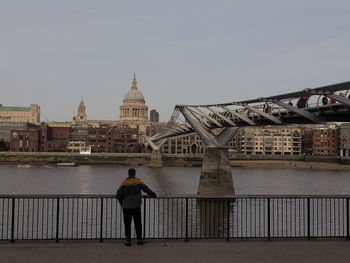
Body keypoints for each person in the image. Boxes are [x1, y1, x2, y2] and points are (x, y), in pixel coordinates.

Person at [116, 168, 157, 246]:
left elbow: (118, 195)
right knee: (138, 223)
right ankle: (139, 240)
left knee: (127, 223)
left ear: (128, 174)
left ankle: (128, 241)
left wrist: (122, 203)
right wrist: (154, 195)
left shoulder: (123, 183)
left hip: (126, 207)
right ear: (134, 174)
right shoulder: (138, 182)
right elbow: (147, 190)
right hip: (136, 206)